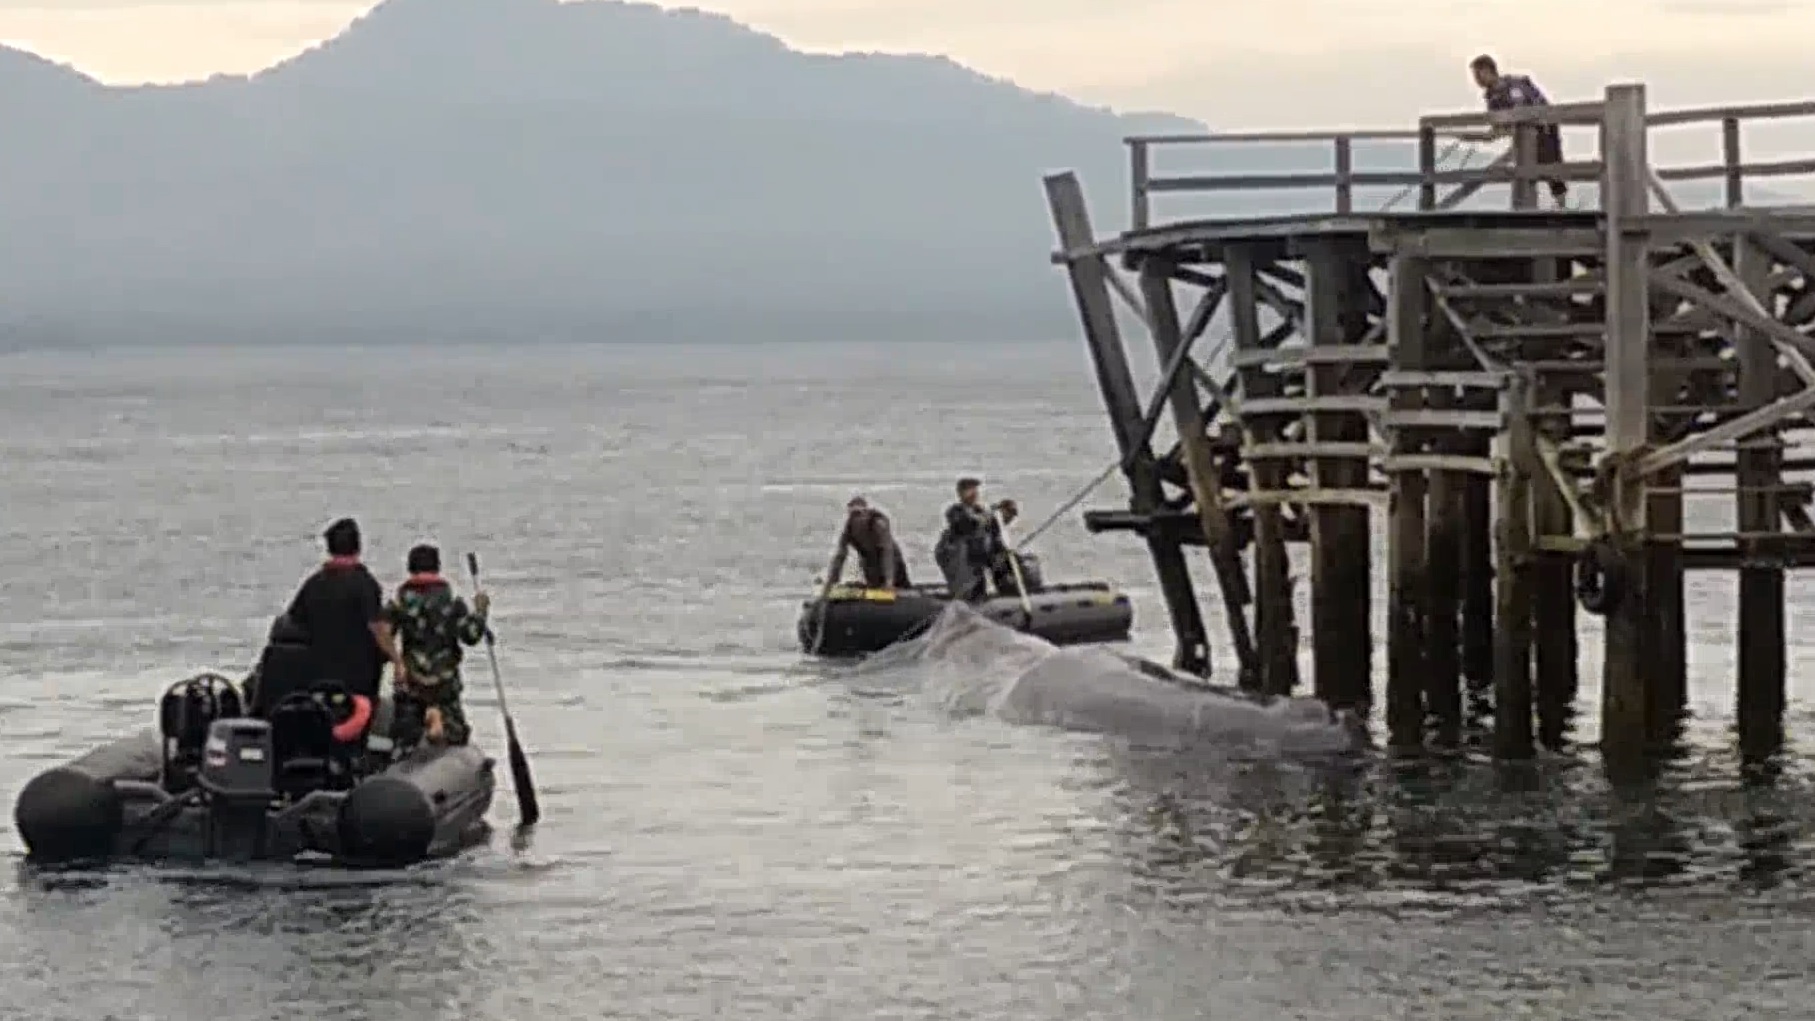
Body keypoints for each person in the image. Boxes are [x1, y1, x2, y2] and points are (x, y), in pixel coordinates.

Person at [283, 517, 407, 713]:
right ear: (358, 547)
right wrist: (397, 662)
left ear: (329, 548)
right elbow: (377, 628)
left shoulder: (314, 584)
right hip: (359, 681)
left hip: (318, 677)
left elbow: (292, 624)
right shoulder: (365, 584)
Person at [382, 543, 490, 754]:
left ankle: (417, 731)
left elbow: (383, 634)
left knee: (404, 738)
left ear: (410, 568)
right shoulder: (451, 603)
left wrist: (396, 662)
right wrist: (480, 612)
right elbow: (471, 636)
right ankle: (439, 719)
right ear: (437, 568)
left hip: (412, 683)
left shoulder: (400, 603)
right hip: (445, 683)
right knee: (457, 736)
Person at [1469, 54, 1568, 207]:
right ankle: (1527, 207)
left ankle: (1562, 207)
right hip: (1522, 136)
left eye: (1477, 74)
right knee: (1524, 170)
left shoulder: (1517, 84)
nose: (1476, 80)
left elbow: (1535, 105)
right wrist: (1474, 137)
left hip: (1544, 128)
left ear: (1488, 70)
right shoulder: (1492, 98)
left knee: (1551, 167)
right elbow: (1498, 128)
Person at [827, 495, 910, 589]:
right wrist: (831, 583)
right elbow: (840, 556)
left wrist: (889, 582)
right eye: (853, 515)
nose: (856, 519)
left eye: (858, 514)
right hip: (870, 563)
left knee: (896, 584)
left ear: (866, 513)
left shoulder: (878, 524)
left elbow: (887, 553)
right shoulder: (849, 528)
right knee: (872, 583)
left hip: (892, 562)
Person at [934, 477, 995, 602]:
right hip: (962, 565)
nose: (974, 493)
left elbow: (991, 527)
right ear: (960, 493)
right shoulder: (955, 511)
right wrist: (983, 519)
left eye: (975, 489)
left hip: (978, 563)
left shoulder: (982, 511)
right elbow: (966, 523)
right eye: (969, 490)